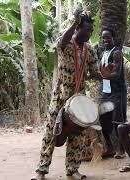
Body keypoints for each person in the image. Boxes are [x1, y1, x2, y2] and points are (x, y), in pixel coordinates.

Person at [32, 12, 98, 180]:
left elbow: (93, 72)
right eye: (87, 30)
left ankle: (72, 170)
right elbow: (61, 41)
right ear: (78, 28)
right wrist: (73, 23)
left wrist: (104, 74)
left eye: (91, 31)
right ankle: (41, 170)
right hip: (61, 96)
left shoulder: (90, 49)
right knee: (50, 133)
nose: (89, 34)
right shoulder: (65, 44)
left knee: (78, 136)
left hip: (79, 97)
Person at [98, 28, 127, 159]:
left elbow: (116, 74)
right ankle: (110, 148)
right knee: (104, 120)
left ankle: (121, 150)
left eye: (108, 37)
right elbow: (103, 71)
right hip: (106, 92)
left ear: (113, 38)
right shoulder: (103, 53)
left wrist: (103, 75)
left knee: (117, 121)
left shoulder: (116, 53)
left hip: (117, 92)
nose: (105, 40)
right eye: (103, 38)